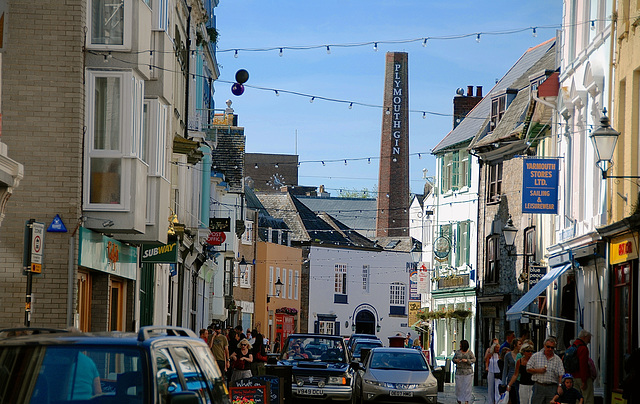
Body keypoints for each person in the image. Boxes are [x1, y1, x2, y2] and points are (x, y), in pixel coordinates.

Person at [526, 336, 564, 404]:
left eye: (552, 347)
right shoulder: (536, 356)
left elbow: (561, 373)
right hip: (539, 386)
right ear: (544, 346)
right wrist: (538, 370)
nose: (550, 349)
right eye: (548, 347)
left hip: (552, 387)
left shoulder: (557, 359)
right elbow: (528, 368)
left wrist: (560, 386)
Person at [570, 330, 594, 404]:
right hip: (582, 377)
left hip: (573, 376)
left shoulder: (572, 347)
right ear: (584, 337)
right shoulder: (583, 348)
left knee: (577, 398)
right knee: (587, 398)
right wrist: (584, 381)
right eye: (589, 339)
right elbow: (583, 365)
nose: (589, 341)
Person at [453, 339, 476, 404]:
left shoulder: (470, 352)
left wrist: (467, 361)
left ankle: (466, 400)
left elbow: (474, 359)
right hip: (459, 372)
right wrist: (456, 360)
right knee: (459, 386)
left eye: (460, 344)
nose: (459, 345)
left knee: (467, 387)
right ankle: (459, 399)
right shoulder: (457, 352)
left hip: (468, 372)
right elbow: (453, 359)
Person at [503, 339, 523, 404]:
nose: (521, 346)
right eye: (519, 344)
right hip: (511, 378)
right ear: (515, 345)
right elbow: (505, 369)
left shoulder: (522, 355)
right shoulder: (508, 355)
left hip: (519, 378)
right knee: (513, 398)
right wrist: (503, 382)